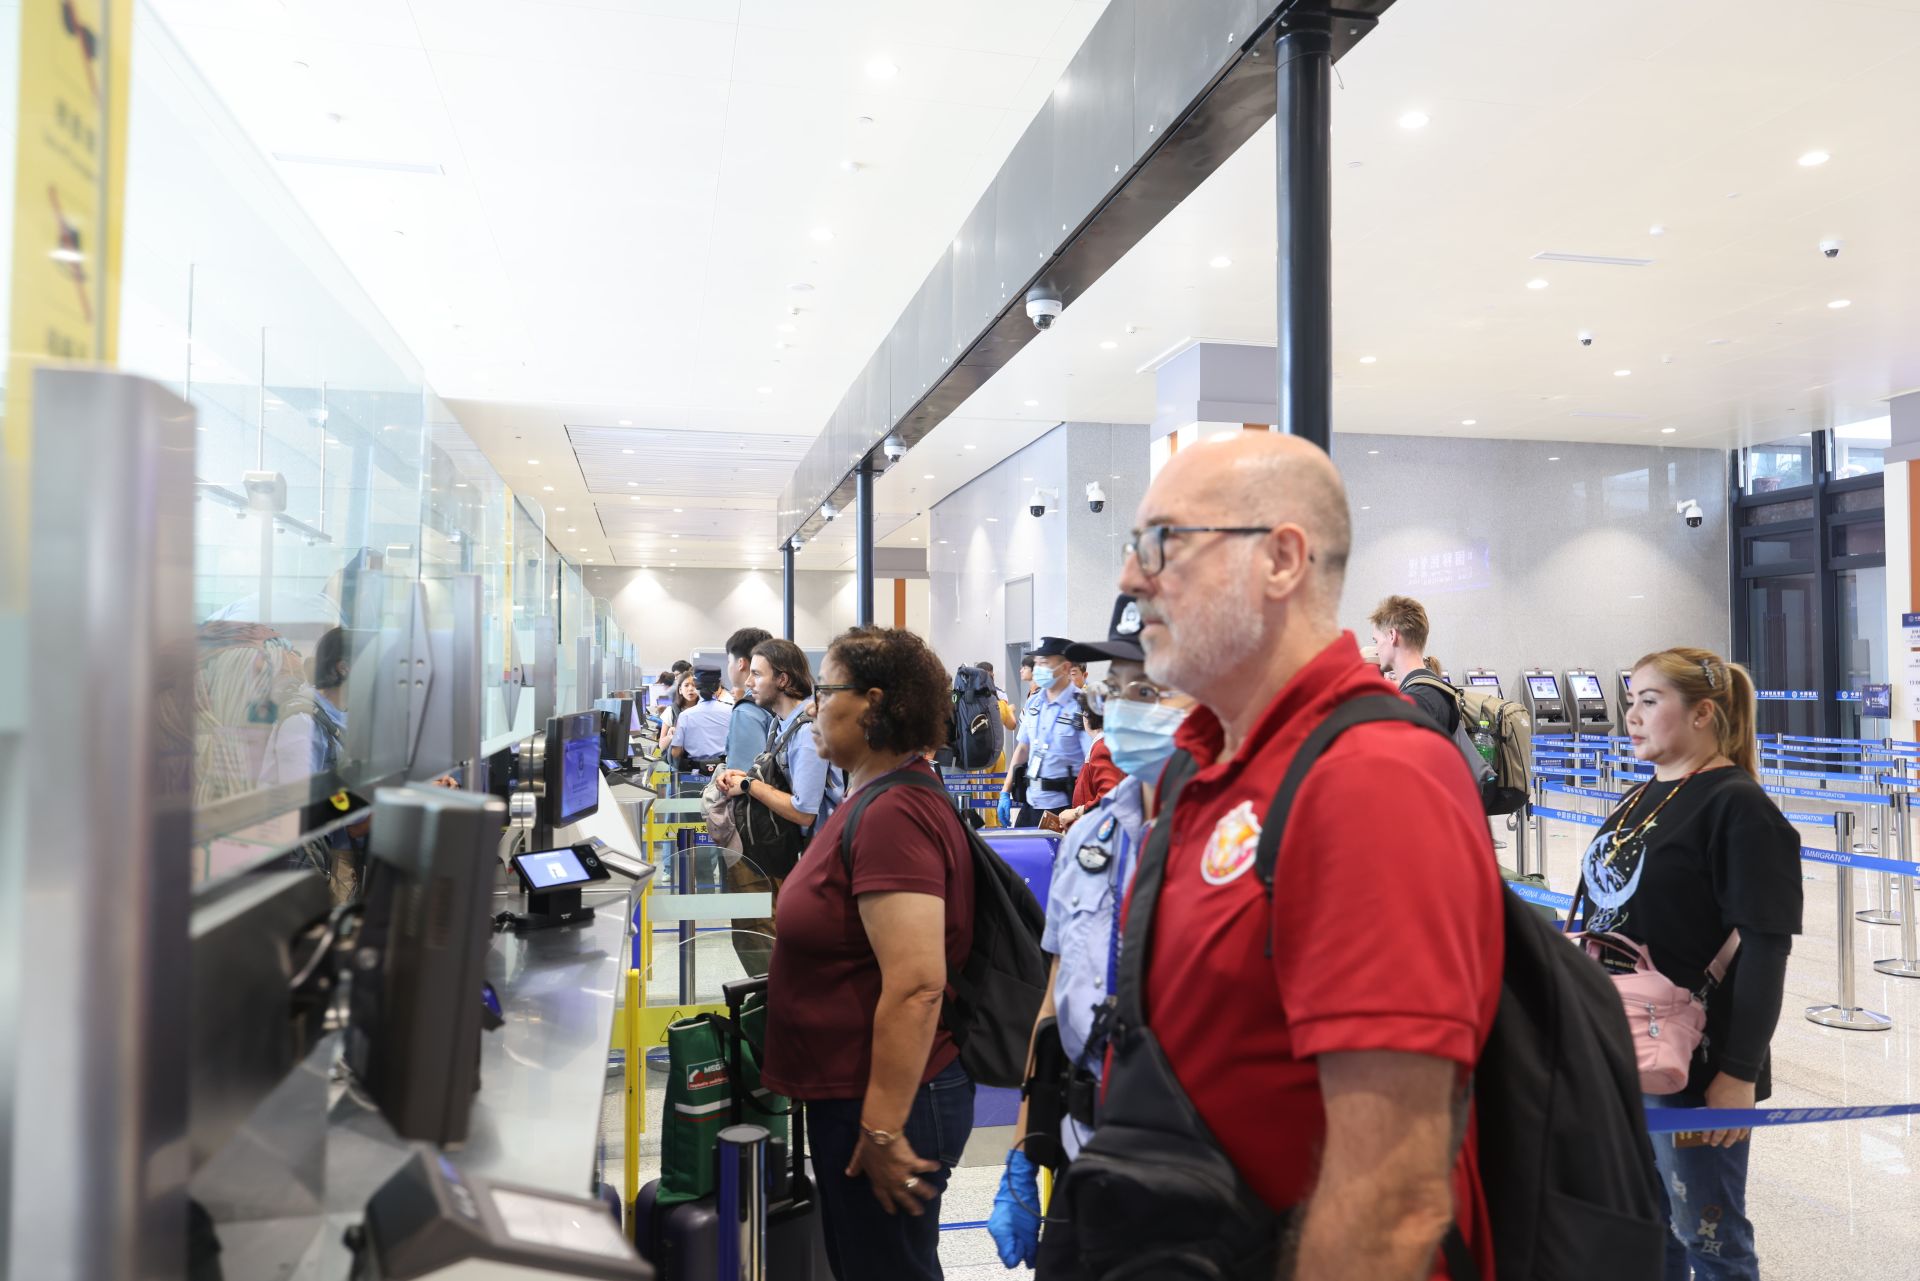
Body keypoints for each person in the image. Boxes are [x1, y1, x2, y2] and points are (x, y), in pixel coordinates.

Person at [1081, 432, 1502, 1280]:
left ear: (1280, 559)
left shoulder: (1372, 778)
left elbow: (1391, 1197)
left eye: (1161, 542)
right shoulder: (1206, 763)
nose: (1130, 577)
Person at [760, 627, 977, 1281]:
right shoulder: (875, 796)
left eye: (825, 691)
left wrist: (882, 1127)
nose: (812, 708)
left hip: (885, 1103)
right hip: (859, 1093)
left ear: (873, 703)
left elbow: (916, 984)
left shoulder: (893, 812)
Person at [1583, 648, 1800, 1281]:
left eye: (1650, 701)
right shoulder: (1642, 795)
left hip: (1695, 1066)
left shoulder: (1738, 806)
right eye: (1630, 701)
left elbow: (1767, 948)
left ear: (1703, 713)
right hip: (1621, 1044)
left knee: (1709, 1237)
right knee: (1646, 1228)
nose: (1631, 716)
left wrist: (1737, 1073)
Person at [989, 594, 1190, 1273]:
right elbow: (1054, 1001)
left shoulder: (1238, 847)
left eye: (1149, 689)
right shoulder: (1091, 839)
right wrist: (1023, 1148)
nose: (1126, 706)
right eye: (1117, 688)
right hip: (1083, 1147)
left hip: (1188, 1170)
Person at [716, 638, 839, 976]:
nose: (749, 681)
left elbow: (804, 811)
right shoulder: (779, 723)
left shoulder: (806, 732)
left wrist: (750, 786)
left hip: (821, 855)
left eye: (757, 674)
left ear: (782, 679)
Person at [998, 638, 1094, 828]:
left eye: (1044, 663)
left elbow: (1091, 760)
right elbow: (1023, 748)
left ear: (1065, 668)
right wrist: (1005, 791)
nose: (1038, 669)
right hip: (1031, 802)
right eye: (1037, 663)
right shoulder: (1034, 702)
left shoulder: (1083, 705)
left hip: (1064, 807)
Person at [723, 627, 777, 771]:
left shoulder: (746, 710)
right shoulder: (779, 701)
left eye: (729, 661)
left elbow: (742, 774)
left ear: (740, 663)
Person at [669, 670, 730, 767]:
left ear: (696, 686)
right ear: (718, 687)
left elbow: (675, 753)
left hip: (695, 770)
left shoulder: (685, 715)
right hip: (723, 769)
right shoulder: (731, 711)